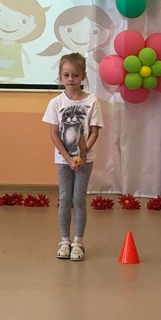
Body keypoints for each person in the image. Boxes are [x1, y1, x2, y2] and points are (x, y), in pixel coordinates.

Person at [43, 52, 103, 261]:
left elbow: (94, 132)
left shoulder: (92, 102)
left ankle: (78, 242)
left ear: (83, 76)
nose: (71, 79)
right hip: (63, 160)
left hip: (85, 160)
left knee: (79, 198)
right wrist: (68, 159)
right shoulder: (55, 103)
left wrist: (82, 156)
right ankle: (64, 240)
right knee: (65, 197)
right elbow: (54, 134)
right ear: (60, 76)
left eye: (75, 75)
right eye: (66, 75)